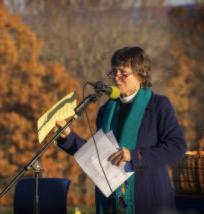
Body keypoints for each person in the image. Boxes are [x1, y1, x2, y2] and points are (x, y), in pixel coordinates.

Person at [54, 46, 187, 214]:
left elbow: (177, 147)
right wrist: (68, 137)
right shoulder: (105, 111)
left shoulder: (158, 105)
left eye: (123, 73)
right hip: (110, 203)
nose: (116, 78)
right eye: (113, 72)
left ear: (141, 74)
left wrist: (133, 155)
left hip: (149, 201)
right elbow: (97, 155)